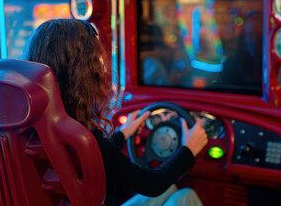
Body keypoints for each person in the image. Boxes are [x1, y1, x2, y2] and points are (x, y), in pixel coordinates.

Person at [26, 19, 208, 206]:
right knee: (186, 197)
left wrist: (122, 135)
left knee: (171, 189)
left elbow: (95, 157)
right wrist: (189, 149)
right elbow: (152, 184)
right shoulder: (83, 137)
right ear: (84, 74)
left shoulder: (35, 126)